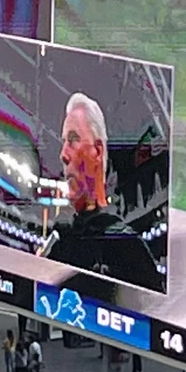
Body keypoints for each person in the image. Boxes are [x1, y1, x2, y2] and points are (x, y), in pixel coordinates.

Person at [40, 90, 157, 282]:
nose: (63, 155)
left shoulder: (129, 250)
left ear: (97, 150)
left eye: (73, 139)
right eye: (63, 142)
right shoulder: (60, 244)